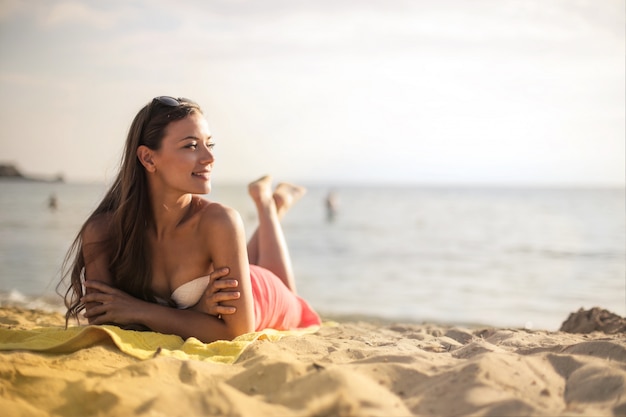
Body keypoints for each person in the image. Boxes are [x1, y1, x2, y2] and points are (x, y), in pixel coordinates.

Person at [60, 96, 320, 343]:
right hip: (230, 279)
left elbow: (237, 332)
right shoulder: (103, 232)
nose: (209, 157)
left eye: (210, 144)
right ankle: (273, 205)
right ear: (148, 158)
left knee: (292, 299)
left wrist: (139, 310)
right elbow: (105, 323)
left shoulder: (220, 220)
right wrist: (196, 311)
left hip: (259, 294)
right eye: (191, 145)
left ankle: (267, 206)